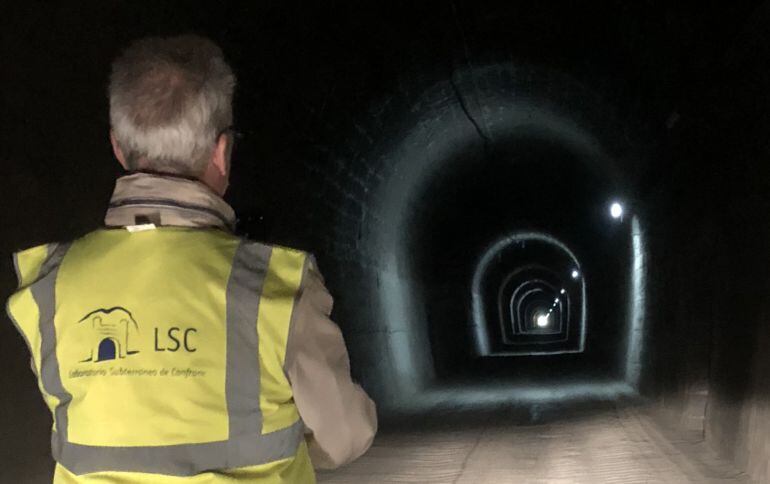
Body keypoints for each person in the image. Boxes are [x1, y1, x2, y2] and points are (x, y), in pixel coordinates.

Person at [6, 35, 377, 483]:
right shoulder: (273, 286)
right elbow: (346, 435)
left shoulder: (48, 287)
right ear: (222, 152)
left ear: (118, 148)